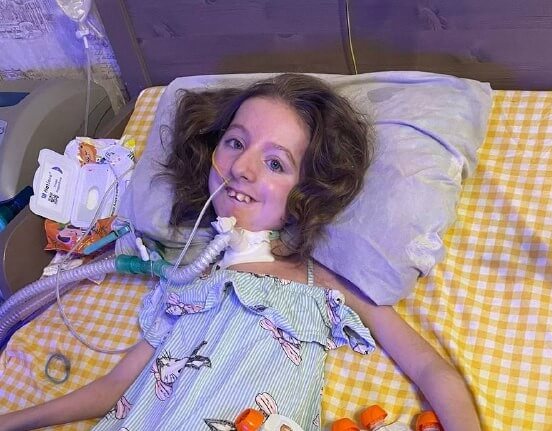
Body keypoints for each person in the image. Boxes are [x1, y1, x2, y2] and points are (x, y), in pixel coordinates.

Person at [0, 74, 481, 431]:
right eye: (235, 142)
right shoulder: (185, 282)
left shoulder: (323, 282)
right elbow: (111, 389)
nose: (242, 167)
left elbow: (430, 368)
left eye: (275, 162)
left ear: (309, 190)